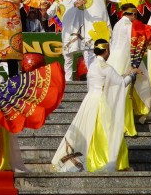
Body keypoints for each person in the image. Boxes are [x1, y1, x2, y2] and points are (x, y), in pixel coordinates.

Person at [50, 37, 132, 172]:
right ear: (106, 51)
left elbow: (104, 82)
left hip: (89, 100)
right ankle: (102, 160)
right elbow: (121, 84)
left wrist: (125, 74)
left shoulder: (92, 66)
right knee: (106, 132)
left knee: (88, 130)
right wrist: (132, 75)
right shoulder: (106, 67)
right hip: (101, 102)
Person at [108, 0, 151, 130]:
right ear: (133, 14)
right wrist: (147, 41)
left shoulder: (117, 24)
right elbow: (133, 42)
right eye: (136, 15)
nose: (136, 18)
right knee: (141, 82)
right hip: (128, 57)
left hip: (114, 58)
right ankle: (139, 111)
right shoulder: (128, 25)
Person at [47, 0, 90, 82]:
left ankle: (92, 79)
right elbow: (49, 14)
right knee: (68, 58)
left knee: (88, 56)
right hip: (68, 33)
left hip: (82, 32)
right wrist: (44, 12)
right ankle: (69, 82)